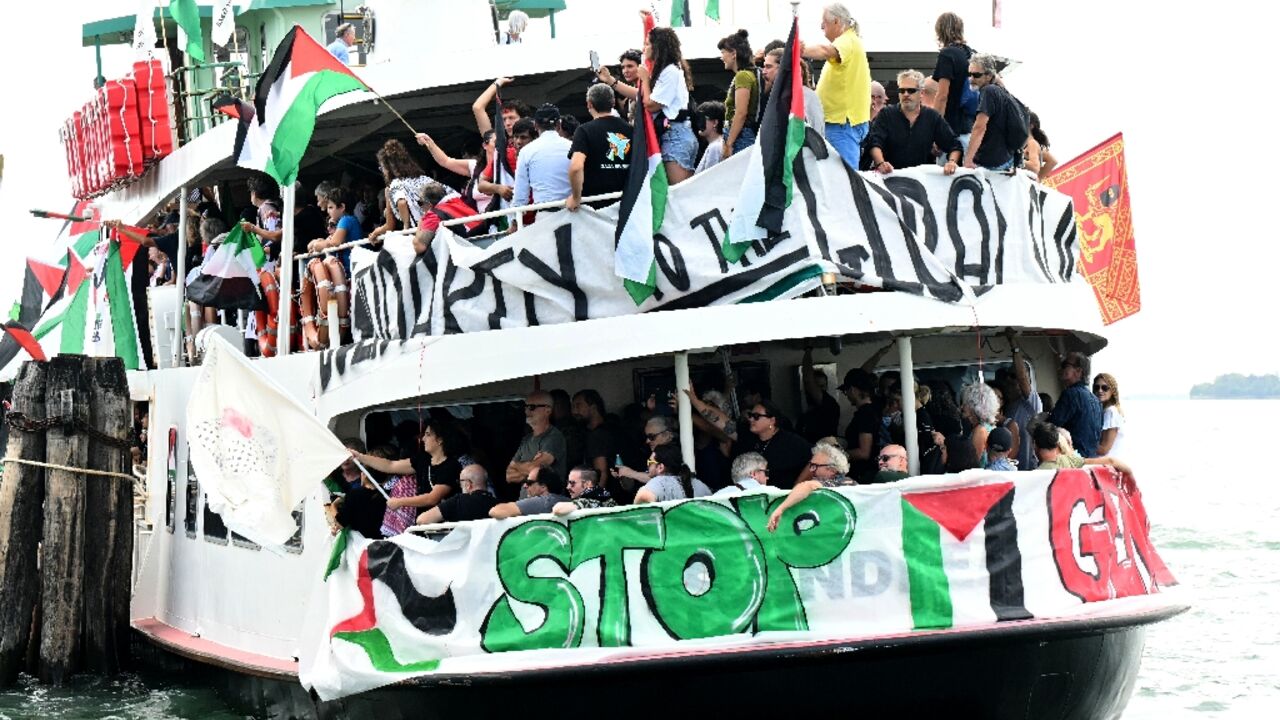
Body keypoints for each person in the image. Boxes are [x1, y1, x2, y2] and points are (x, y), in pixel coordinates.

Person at [349, 421, 462, 536]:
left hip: (443, 527)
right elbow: (390, 465)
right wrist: (360, 457)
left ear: (440, 439)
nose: (423, 439)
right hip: (422, 526)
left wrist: (400, 502)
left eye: (428, 435)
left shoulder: (451, 466)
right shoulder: (423, 459)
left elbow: (432, 498)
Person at [802, 3, 871, 170]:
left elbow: (825, 51)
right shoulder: (850, 41)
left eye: (824, 22)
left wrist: (798, 50)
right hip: (839, 123)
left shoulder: (847, 41)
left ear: (836, 22)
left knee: (844, 180)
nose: (821, 26)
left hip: (841, 125)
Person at [866, 69, 961, 175]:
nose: (906, 94)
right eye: (902, 91)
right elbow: (874, 142)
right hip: (890, 177)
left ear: (921, 93)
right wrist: (880, 163)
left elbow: (954, 145)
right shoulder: (886, 114)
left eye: (911, 90)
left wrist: (952, 162)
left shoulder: (932, 117)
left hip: (922, 181)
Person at [636, 26, 697, 183]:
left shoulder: (669, 71)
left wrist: (644, 79)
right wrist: (613, 82)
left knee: (679, 193)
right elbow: (644, 96)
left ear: (657, 47)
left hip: (675, 135)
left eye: (648, 44)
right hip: (677, 134)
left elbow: (651, 104)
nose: (644, 48)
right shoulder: (669, 70)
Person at [567, 84, 633, 212]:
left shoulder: (584, 131)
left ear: (589, 104)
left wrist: (576, 197)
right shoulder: (630, 129)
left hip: (594, 208)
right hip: (627, 203)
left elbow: (576, 167)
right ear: (613, 102)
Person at [765, 442, 852, 532]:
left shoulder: (837, 483)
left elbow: (808, 486)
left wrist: (780, 509)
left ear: (832, 470)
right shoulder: (851, 483)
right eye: (811, 465)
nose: (811, 470)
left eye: (815, 466)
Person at [962, 53, 1028, 172]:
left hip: (991, 163)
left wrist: (968, 160)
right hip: (1006, 158)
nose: (971, 79)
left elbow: (979, 127)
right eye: (969, 74)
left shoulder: (988, 91)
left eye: (976, 75)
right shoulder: (1000, 90)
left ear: (988, 76)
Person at [504, 391, 568, 493]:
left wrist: (518, 466)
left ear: (547, 410)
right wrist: (531, 466)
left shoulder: (554, 437)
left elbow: (535, 469)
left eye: (532, 407)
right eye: (526, 407)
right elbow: (509, 476)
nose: (527, 412)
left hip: (546, 502)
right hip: (526, 501)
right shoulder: (526, 439)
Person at [513, 103, 573, 211]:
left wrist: (514, 220)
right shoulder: (572, 147)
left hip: (545, 215)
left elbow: (520, 195)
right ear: (559, 124)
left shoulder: (526, 151)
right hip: (574, 211)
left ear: (535, 125)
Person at [998, 330, 1043, 470]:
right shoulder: (1006, 407)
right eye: (1008, 377)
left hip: (1029, 468)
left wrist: (1014, 346)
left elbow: (1022, 378)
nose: (1010, 381)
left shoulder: (1032, 402)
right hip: (1010, 469)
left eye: (1014, 376)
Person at [930, 12, 976, 142]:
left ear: (940, 31)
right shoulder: (972, 54)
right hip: (972, 129)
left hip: (952, 130)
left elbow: (942, 96)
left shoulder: (948, 54)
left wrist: (935, 130)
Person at [746, 400, 811, 489]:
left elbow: (816, 457)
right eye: (750, 415)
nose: (750, 419)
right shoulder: (749, 440)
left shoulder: (790, 441)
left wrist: (797, 485)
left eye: (756, 416)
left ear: (772, 421)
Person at [371, 140, 431, 237]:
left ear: (387, 168)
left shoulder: (394, 186)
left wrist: (406, 227)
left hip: (422, 232)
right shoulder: (422, 178)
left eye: (382, 168)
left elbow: (401, 202)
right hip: (438, 224)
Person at [1049, 351, 1103, 457]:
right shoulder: (1095, 399)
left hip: (1074, 459)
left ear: (1078, 371)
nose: (1061, 368)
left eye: (1065, 365)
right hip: (1090, 458)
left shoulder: (1070, 394)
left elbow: (1052, 425)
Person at [717, 29, 761, 157]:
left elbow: (741, 113)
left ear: (734, 54)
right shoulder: (750, 74)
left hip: (741, 137)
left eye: (723, 52)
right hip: (742, 135)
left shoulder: (742, 76)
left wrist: (729, 143)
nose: (722, 57)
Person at [1032, 423, 1132, 474]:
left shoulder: (1035, 475)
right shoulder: (1072, 461)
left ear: (1035, 445)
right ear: (1057, 442)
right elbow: (1111, 461)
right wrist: (1131, 477)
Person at [415, 464, 495, 524]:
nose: (460, 485)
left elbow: (422, 520)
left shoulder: (458, 501)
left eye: (460, 482)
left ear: (468, 485)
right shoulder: (497, 505)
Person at [838, 367, 879, 482]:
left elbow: (863, 452)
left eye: (846, 391)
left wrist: (836, 454)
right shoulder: (875, 409)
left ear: (853, 390)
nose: (846, 395)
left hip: (864, 473)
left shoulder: (865, 414)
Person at [633, 443, 711, 504]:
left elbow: (639, 511)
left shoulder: (657, 483)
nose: (648, 464)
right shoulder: (699, 485)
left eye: (650, 462)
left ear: (660, 467)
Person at [613, 414, 674, 489]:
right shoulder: (653, 453)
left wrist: (632, 473)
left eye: (652, 437)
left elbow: (663, 480)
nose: (647, 441)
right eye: (647, 437)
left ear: (666, 435)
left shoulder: (672, 452)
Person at [571, 389, 617, 483]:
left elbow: (601, 474)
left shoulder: (598, 434)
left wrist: (595, 496)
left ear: (593, 407)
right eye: (573, 406)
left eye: (578, 405)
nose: (574, 411)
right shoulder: (604, 429)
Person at [491, 466, 570, 518]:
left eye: (529, 483)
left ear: (543, 486)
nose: (525, 486)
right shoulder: (568, 501)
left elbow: (495, 511)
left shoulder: (543, 501)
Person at [799, 347, 841, 443]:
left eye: (822, 386)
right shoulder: (809, 406)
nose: (818, 389)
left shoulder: (829, 403)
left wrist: (808, 350)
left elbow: (808, 380)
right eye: (816, 386)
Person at [595, 49, 644, 122]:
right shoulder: (628, 98)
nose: (625, 71)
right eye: (623, 67)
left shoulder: (650, 84)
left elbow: (640, 94)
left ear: (641, 66)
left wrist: (610, 80)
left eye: (630, 66)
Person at [960, 382, 1000, 468]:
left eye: (965, 403)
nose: (962, 407)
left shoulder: (980, 430)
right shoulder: (984, 426)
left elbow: (971, 464)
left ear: (975, 406)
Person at [552, 467, 617, 514]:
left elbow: (558, 510)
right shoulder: (608, 498)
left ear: (587, 484)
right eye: (568, 483)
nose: (568, 487)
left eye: (572, 483)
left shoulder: (587, 501)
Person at [1094, 373, 1127, 458]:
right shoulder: (1106, 410)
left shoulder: (1111, 412)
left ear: (1112, 391)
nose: (1100, 391)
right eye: (1097, 387)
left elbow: (1104, 449)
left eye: (1105, 388)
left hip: (1109, 465)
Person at [694, 101, 727, 173]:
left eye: (702, 118)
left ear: (715, 123)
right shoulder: (719, 143)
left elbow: (709, 178)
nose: (699, 122)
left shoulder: (715, 147)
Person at [1026, 112, 1059, 180]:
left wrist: (1038, 178)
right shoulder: (1029, 144)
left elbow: (1034, 166)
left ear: (1031, 126)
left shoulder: (1032, 143)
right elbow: (1053, 161)